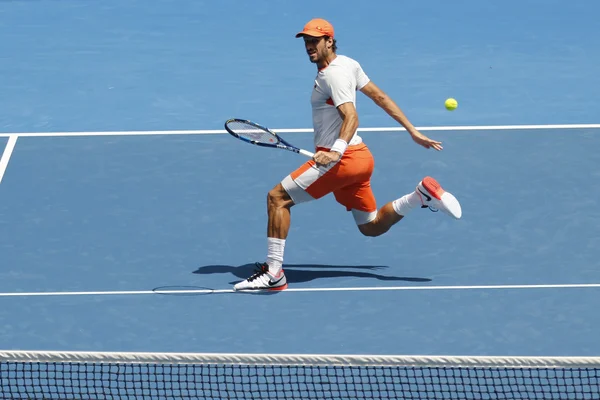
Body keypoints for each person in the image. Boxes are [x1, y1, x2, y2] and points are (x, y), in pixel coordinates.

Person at [233, 18, 462, 291]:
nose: (309, 46)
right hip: (361, 158)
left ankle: (274, 274)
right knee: (371, 226)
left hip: (341, 160)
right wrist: (411, 130)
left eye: (315, 40)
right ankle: (419, 196)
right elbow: (380, 97)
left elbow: (351, 116)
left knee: (277, 199)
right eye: (306, 41)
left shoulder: (333, 75)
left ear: (329, 41)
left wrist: (334, 151)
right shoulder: (349, 64)